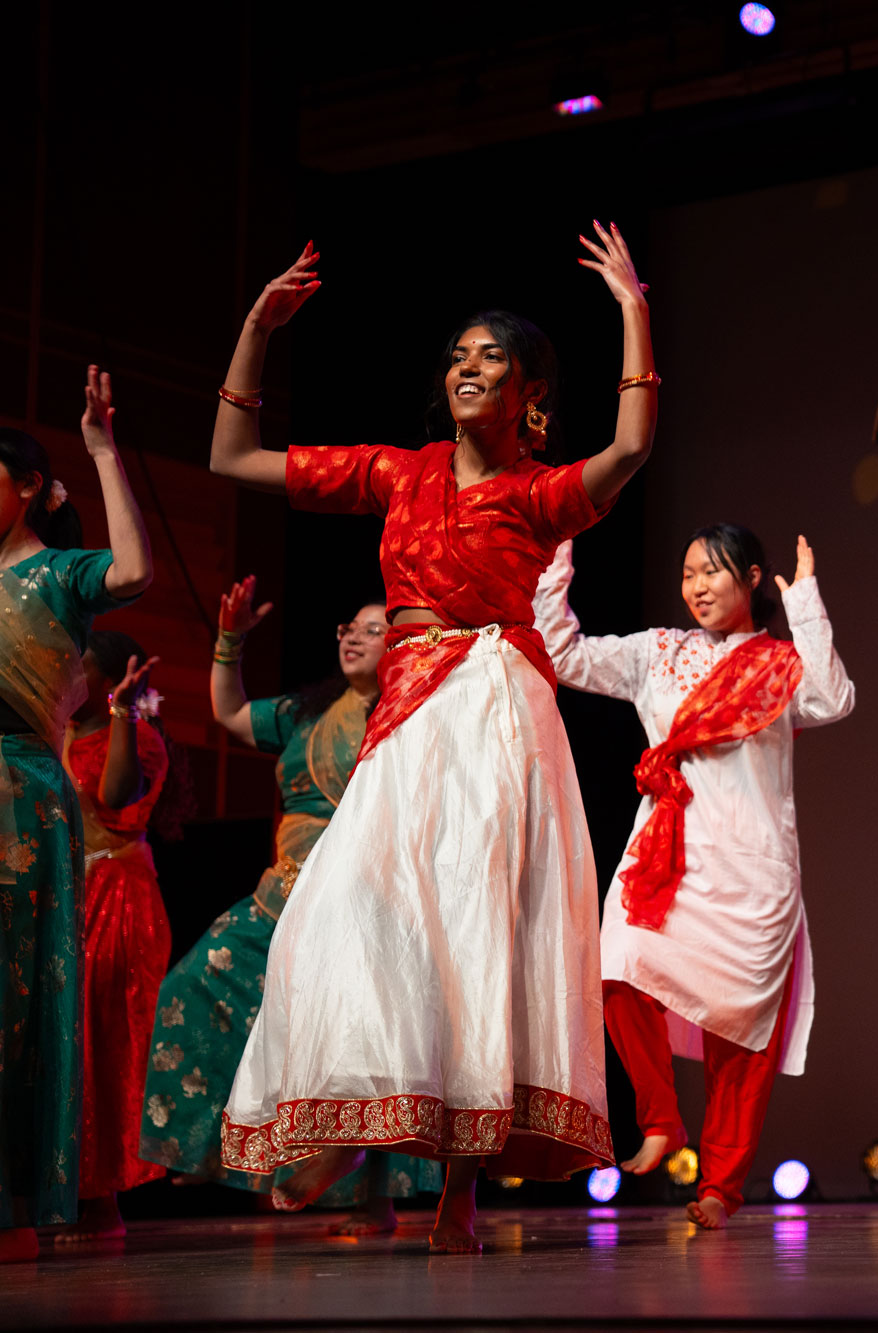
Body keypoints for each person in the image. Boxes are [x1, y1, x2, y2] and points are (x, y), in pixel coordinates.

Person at [209, 225, 656, 1253]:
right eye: (457, 357)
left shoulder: (537, 493)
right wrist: (253, 330)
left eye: (490, 359)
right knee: (339, 902)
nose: (467, 369)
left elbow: (630, 449)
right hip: (408, 710)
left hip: (495, 706)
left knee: (476, 926)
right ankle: (354, 1120)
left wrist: (631, 311)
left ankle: (459, 1185)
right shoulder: (394, 473)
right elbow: (231, 456)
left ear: (529, 395)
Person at [534, 523, 852, 1230]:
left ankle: (721, 1186)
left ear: (754, 580)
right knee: (616, 968)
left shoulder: (776, 663)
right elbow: (561, 653)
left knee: (739, 1033)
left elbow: (833, 698)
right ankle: (658, 1117)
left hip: (751, 863)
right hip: (664, 853)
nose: (699, 585)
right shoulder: (658, 652)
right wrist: (556, 563)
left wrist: (806, 605)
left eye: (715, 571)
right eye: (689, 573)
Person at [137, 579, 442, 1233]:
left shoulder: (410, 717)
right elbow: (229, 713)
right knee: (195, 986)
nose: (352, 636)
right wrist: (230, 640)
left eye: (372, 628)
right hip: (281, 896)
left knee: (356, 1045)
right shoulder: (308, 713)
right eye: (348, 626)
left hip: (361, 903)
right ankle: (213, 1146)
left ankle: (375, 1200)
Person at [0, 372, 154, 1263]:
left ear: (25, 489)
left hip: (19, 793)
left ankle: (18, 1201)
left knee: (13, 1007)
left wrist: (100, 451)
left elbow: (132, 570)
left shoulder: (56, 574)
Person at [55, 629, 171, 1243]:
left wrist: (122, 714)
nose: (66, 672)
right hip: (68, 896)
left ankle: (103, 1206)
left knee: (104, 1042)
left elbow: (115, 797)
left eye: (80, 665)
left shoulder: (141, 740)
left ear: (109, 679)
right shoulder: (53, 732)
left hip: (118, 898)